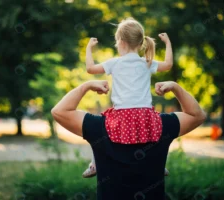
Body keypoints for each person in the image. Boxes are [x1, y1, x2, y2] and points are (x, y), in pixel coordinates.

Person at [51, 80, 206, 200]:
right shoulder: (161, 125)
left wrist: (86, 86)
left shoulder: (100, 126)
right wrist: (175, 88)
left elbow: (59, 111)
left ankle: (94, 164)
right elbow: (197, 115)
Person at [83, 17, 173, 177]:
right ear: (140, 43)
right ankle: (159, 164)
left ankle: (94, 164)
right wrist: (167, 43)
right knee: (158, 132)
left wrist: (89, 48)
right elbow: (168, 64)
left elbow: (90, 68)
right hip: (145, 115)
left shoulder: (115, 63)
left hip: (122, 116)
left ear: (121, 42)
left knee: (98, 129)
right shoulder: (147, 62)